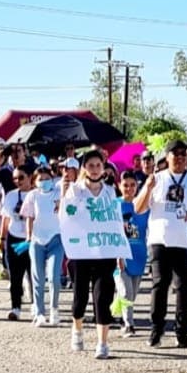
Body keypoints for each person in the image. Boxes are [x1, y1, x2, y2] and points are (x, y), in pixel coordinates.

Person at [134, 140, 187, 348]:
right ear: (166, 157)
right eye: (175, 154)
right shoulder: (156, 179)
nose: (179, 157)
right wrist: (148, 189)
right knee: (160, 285)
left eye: (183, 154)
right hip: (160, 240)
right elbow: (139, 209)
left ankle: (182, 332)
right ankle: (156, 331)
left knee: (184, 288)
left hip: (186, 241)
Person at [60, 150, 132, 359]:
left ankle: (102, 342)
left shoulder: (110, 192)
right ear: (84, 168)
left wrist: (120, 253)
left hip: (104, 251)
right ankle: (78, 329)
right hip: (81, 252)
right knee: (80, 297)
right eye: (90, 165)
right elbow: (66, 218)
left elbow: (115, 224)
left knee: (103, 296)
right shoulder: (75, 190)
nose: (94, 169)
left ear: (103, 167)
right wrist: (64, 196)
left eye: (97, 165)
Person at [20, 166, 63, 327]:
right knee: (37, 278)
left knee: (53, 277)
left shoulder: (58, 193)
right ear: (34, 182)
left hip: (56, 238)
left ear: (52, 179)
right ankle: (39, 313)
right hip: (37, 240)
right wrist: (29, 236)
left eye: (47, 179)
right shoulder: (32, 195)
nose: (44, 182)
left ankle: (54, 309)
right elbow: (29, 217)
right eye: (40, 179)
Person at [115, 171, 149, 337]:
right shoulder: (115, 205)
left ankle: (121, 314)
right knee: (125, 291)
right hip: (120, 256)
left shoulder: (143, 206)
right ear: (119, 186)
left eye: (132, 185)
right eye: (125, 185)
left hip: (139, 255)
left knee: (132, 294)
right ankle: (129, 324)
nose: (129, 188)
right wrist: (117, 256)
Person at [0, 164, 34, 320]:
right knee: (15, 276)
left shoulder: (36, 194)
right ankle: (16, 307)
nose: (17, 181)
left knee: (34, 274)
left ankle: (36, 305)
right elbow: (6, 218)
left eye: (21, 177)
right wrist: (2, 237)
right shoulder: (11, 195)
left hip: (32, 239)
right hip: (13, 238)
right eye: (15, 178)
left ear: (30, 177)